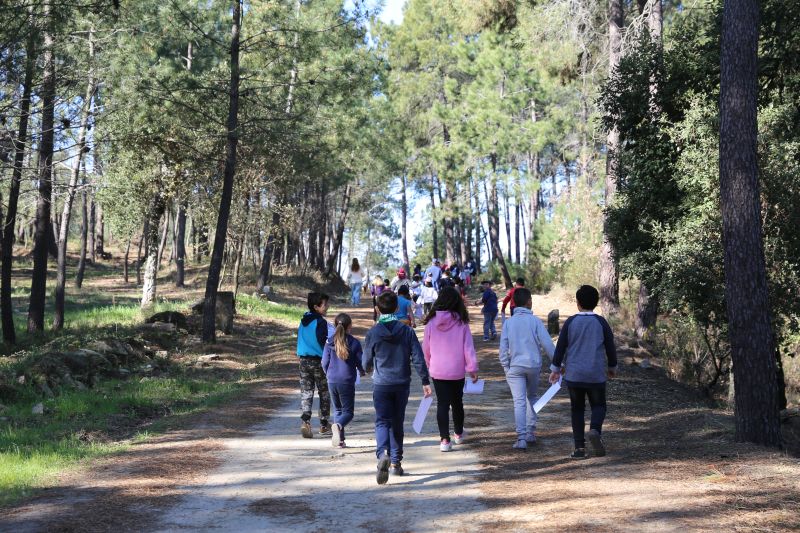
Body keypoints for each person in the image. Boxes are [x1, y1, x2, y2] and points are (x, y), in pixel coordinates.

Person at [363, 291, 432, 484]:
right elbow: (418, 358)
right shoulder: (407, 331)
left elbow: (366, 360)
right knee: (397, 422)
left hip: (381, 384)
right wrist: (425, 381)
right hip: (401, 383)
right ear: (396, 308)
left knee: (382, 422)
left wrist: (366, 368)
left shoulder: (374, 332)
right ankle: (395, 464)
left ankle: (381, 455)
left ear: (377, 309)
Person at [549, 285, 617, 459]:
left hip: (574, 374)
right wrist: (612, 367)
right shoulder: (601, 322)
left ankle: (579, 448)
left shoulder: (571, 322)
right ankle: (594, 430)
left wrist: (555, 369)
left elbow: (561, 347)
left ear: (578, 303)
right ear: (596, 303)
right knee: (599, 405)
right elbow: (610, 347)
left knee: (577, 409)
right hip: (595, 374)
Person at [422, 287, 479, 452]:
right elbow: (468, 348)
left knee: (442, 404)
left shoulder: (431, 323)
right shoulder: (461, 323)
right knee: (457, 403)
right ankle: (459, 434)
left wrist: (428, 364)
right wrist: (472, 368)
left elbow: (425, 347)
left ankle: (444, 440)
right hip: (457, 370)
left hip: (438, 370)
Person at [499, 288, 556, 450]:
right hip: (533, 365)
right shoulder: (535, 321)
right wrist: (558, 365)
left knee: (519, 402)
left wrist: (506, 367)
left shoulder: (508, 323)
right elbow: (547, 344)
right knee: (532, 397)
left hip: (515, 367)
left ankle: (521, 438)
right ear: (529, 302)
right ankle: (531, 432)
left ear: (514, 303)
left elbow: (503, 349)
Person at [322, 313, 365, 448]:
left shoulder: (329, 342)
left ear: (335, 325)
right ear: (350, 326)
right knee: (348, 412)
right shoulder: (354, 342)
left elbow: (324, 362)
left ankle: (340, 440)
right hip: (346, 381)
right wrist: (362, 371)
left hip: (332, 380)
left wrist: (328, 374)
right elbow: (361, 362)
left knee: (338, 410)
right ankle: (339, 426)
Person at [296, 292, 332, 438]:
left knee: (306, 391)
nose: (327, 306)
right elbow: (322, 340)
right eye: (325, 304)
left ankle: (306, 422)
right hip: (318, 361)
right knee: (324, 392)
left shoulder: (303, 320)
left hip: (303, 361)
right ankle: (324, 424)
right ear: (317, 307)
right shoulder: (320, 322)